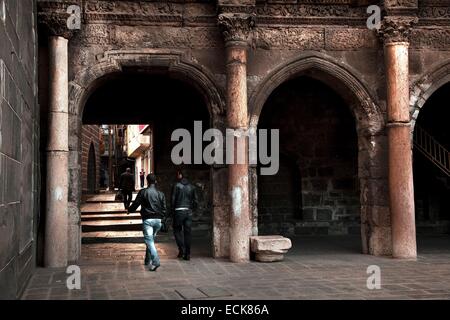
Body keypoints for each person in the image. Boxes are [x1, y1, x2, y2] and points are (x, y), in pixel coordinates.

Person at [128, 174, 166, 271]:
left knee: (149, 241)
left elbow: (136, 203)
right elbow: (164, 209)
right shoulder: (161, 193)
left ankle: (156, 261)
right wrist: (163, 219)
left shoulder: (143, 192)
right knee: (151, 240)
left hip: (148, 220)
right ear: (156, 181)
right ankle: (147, 260)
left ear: (147, 181)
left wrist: (130, 210)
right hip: (158, 220)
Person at [171, 170, 198, 261]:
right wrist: (192, 210)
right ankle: (188, 254)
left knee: (177, 230)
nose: (177, 175)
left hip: (178, 211)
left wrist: (172, 212)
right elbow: (196, 201)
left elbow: (173, 200)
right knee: (188, 233)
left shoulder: (176, 185)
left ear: (181, 175)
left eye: (178, 174)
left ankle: (181, 250)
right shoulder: (192, 187)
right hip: (188, 212)